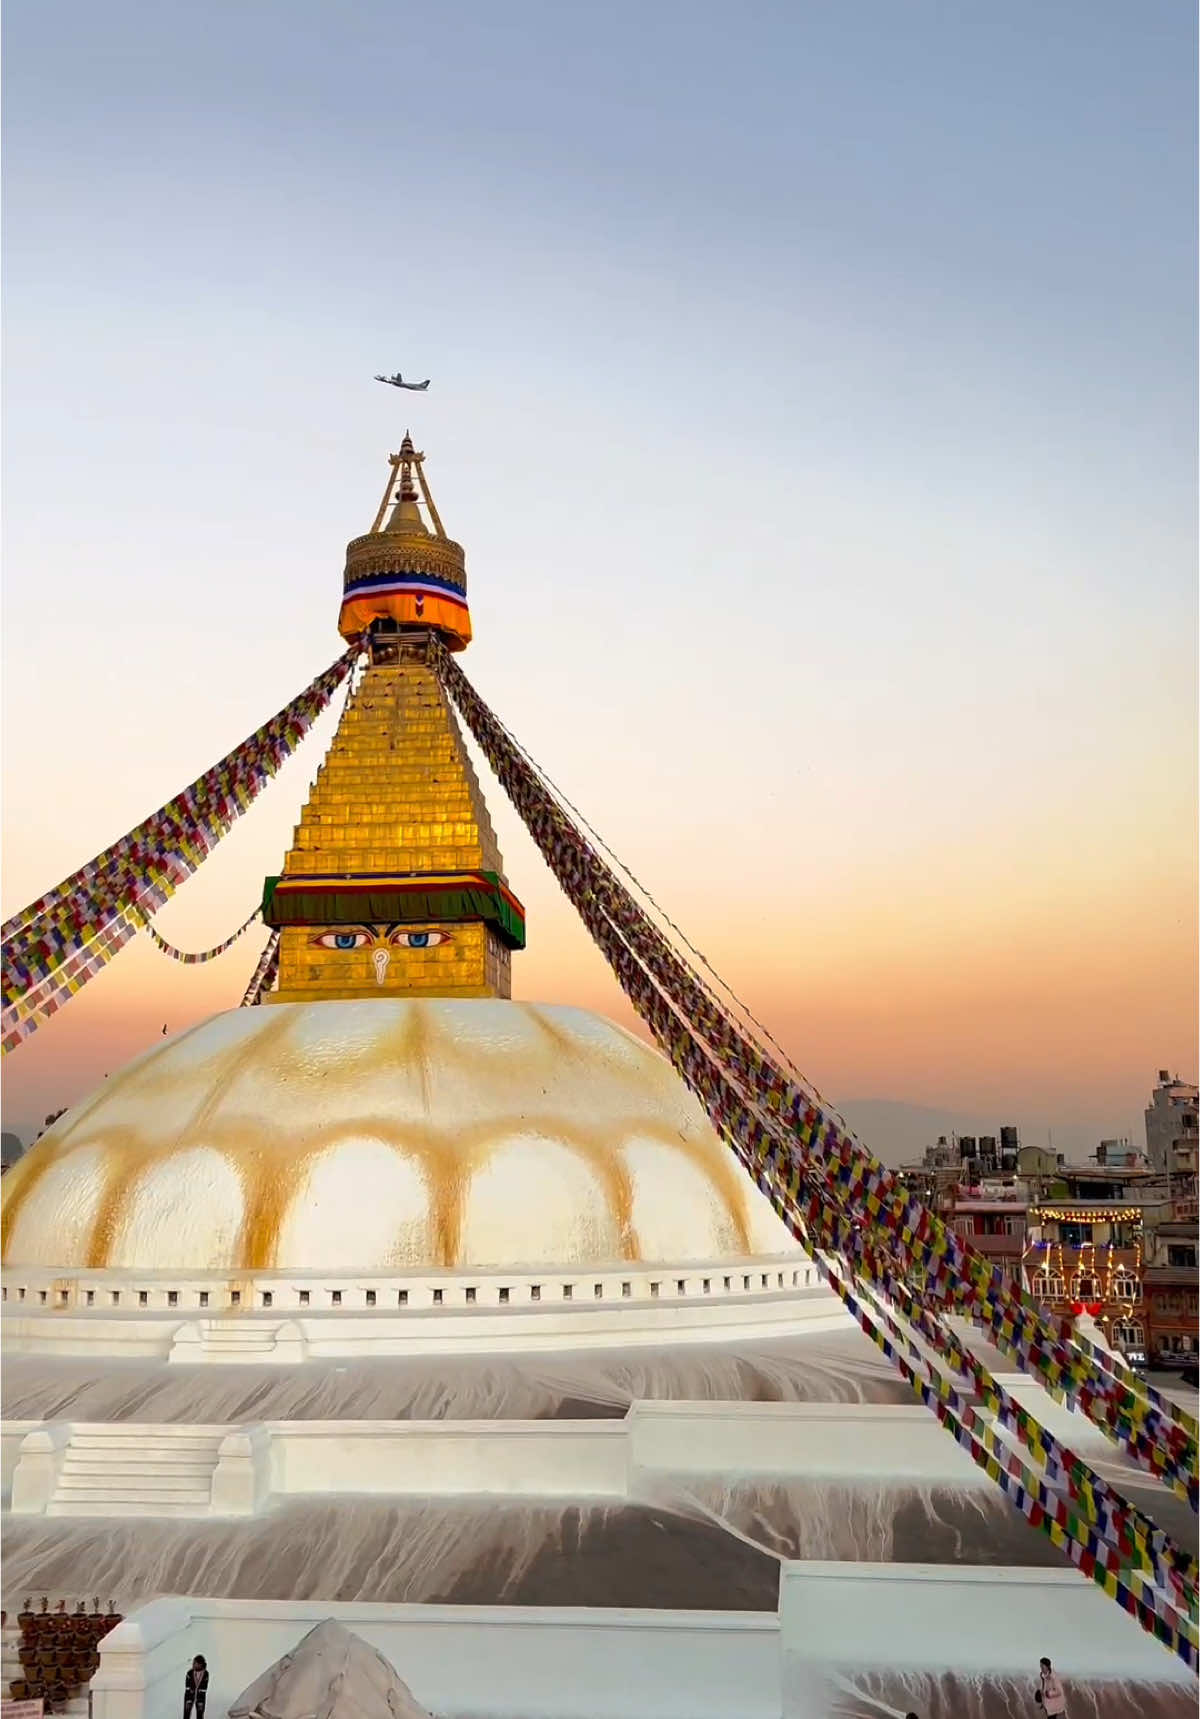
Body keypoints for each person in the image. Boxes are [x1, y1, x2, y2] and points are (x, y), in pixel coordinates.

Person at [183, 1655, 208, 1719]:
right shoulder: (189, 1673)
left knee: (200, 1714)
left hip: (200, 1697)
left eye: (195, 1663)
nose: (193, 1664)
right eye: (193, 1662)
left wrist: (198, 1692)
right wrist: (190, 1694)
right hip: (189, 1696)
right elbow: (187, 1687)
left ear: (200, 1664)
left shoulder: (205, 1673)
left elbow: (204, 1687)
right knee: (186, 1713)